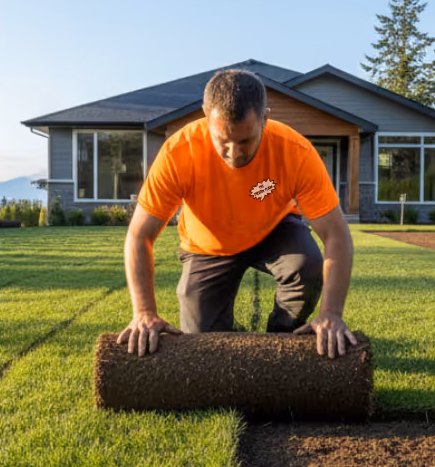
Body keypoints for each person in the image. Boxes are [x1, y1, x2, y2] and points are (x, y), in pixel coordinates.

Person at [118, 68, 359, 358]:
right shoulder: (179, 153)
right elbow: (139, 235)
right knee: (203, 346)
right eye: (223, 141)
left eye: (245, 141)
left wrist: (331, 313)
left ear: (265, 119)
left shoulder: (295, 152)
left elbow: (337, 236)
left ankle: (282, 340)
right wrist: (144, 311)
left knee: (305, 266)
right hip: (208, 246)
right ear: (207, 119)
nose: (234, 153)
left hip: (273, 230)